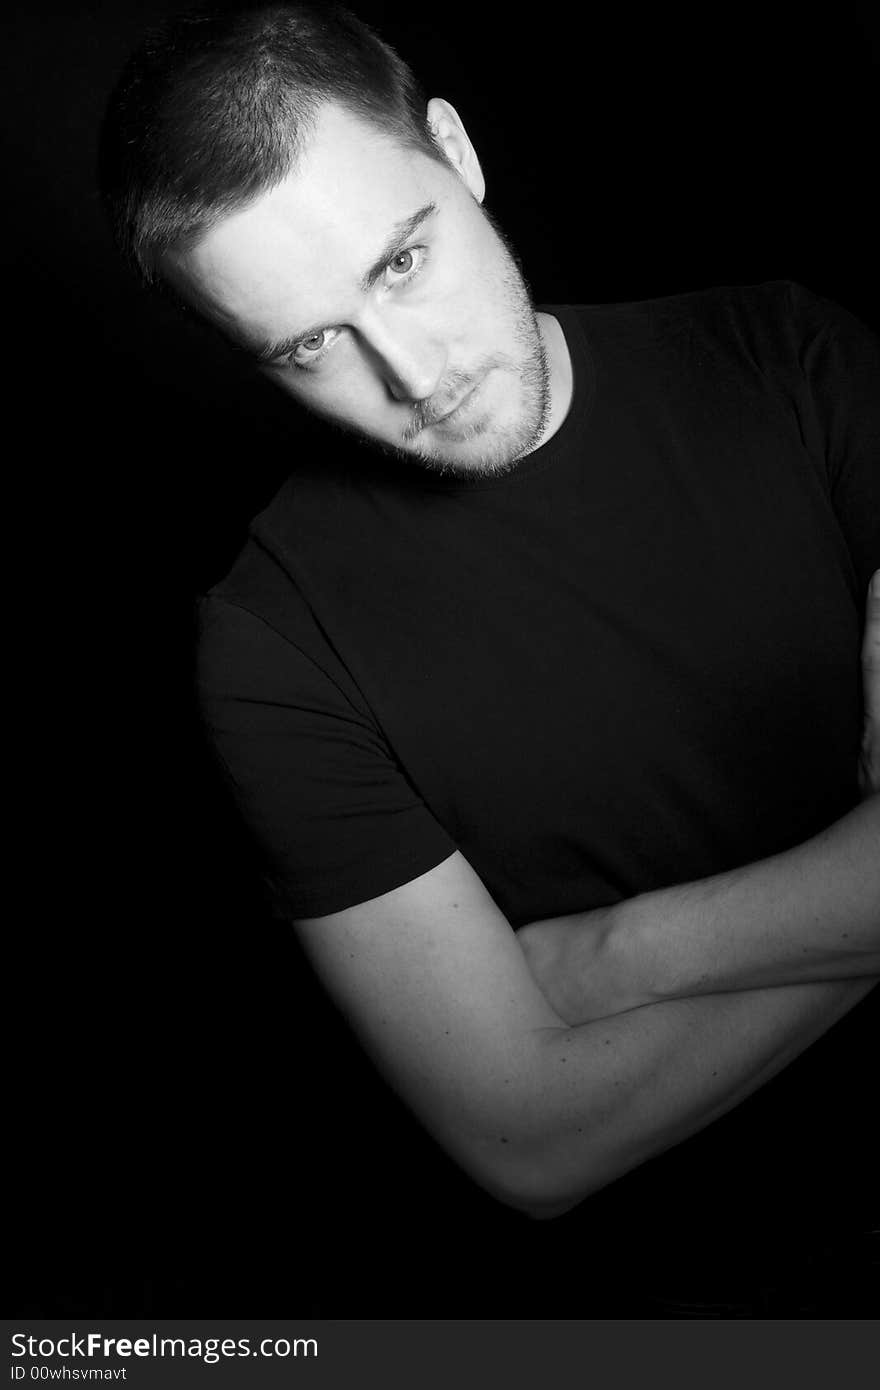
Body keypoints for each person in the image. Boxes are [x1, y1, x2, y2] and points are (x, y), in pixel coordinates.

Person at [99, 2, 879, 1313]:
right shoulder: (268, 641)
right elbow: (531, 1142)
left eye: (399, 264)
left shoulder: (789, 353)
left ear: (453, 154)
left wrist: (622, 954)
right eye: (307, 345)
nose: (412, 377)